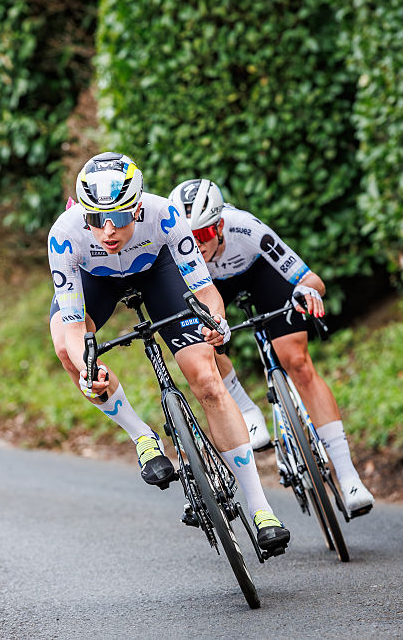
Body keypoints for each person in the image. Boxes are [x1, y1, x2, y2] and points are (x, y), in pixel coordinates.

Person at [48, 152, 290, 551]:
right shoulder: (65, 234)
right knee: (66, 349)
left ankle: (261, 507)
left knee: (209, 381)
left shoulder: (164, 215)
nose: (107, 230)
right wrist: (88, 365)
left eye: (121, 218)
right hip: (97, 282)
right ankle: (143, 437)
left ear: (138, 208)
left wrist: (216, 320)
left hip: (158, 273)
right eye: (96, 219)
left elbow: (205, 291)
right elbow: (75, 325)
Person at [166, 177, 375, 517]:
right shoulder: (178, 248)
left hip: (259, 274)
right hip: (209, 287)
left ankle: (348, 475)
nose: (197, 243)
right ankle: (248, 409)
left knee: (297, 362)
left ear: (219, 225)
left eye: (204, 234)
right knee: (200, 345)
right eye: (190, 237)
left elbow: (312, 281)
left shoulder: (246, 228)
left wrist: (305, 293)